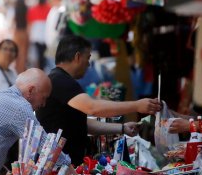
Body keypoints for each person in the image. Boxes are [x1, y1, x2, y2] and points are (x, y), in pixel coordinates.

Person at [36, 35, 162, 166]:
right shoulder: (60, 80)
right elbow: (93, 108)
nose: (89, 64)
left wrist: (122, 128)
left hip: (66, 164)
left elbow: (82, 124)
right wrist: (136, 105)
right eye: (88, 58)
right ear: (78, 57)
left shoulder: (61, 79)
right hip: (57, 167)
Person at [27, 0, 51, 70]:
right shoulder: (49, 8)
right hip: (45, 34)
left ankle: (41, 68)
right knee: (44, 55)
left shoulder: (33, 9)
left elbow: (30, 23)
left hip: (37, 35)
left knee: (39, 54)